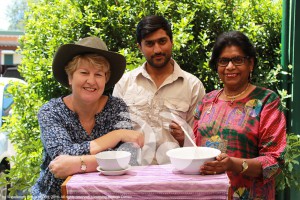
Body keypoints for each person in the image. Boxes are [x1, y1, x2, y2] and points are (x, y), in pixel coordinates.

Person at [31, 36, 144, 199]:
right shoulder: (51, 111)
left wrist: (76, 164)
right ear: (70, 77)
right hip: (55, 196)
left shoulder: (116, 107)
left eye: (98, 74)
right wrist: (115, 136)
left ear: (105, 78)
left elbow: (130, 159)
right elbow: (61, 156)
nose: (91, 81)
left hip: (105, 196)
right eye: (84, 72)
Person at [193, 31, 286, 199]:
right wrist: (180, 138)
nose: (229, 67)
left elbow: (275, 162)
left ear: (250, 64)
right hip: (207, 194)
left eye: (237, 60)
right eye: (223, 61)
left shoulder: (266, 101)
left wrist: (234, 164)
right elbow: (194, 150)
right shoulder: (206, 101)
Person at [113, 15, 206, 165]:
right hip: (133, 174)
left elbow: (201, 140)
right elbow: (114, 134)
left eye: (162, 41)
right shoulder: (124, 83)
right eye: (149, 43)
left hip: (177, 174)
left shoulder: (193, 86)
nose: (157, 49)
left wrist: (184, 137)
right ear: (139, 47)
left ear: (172, 41)